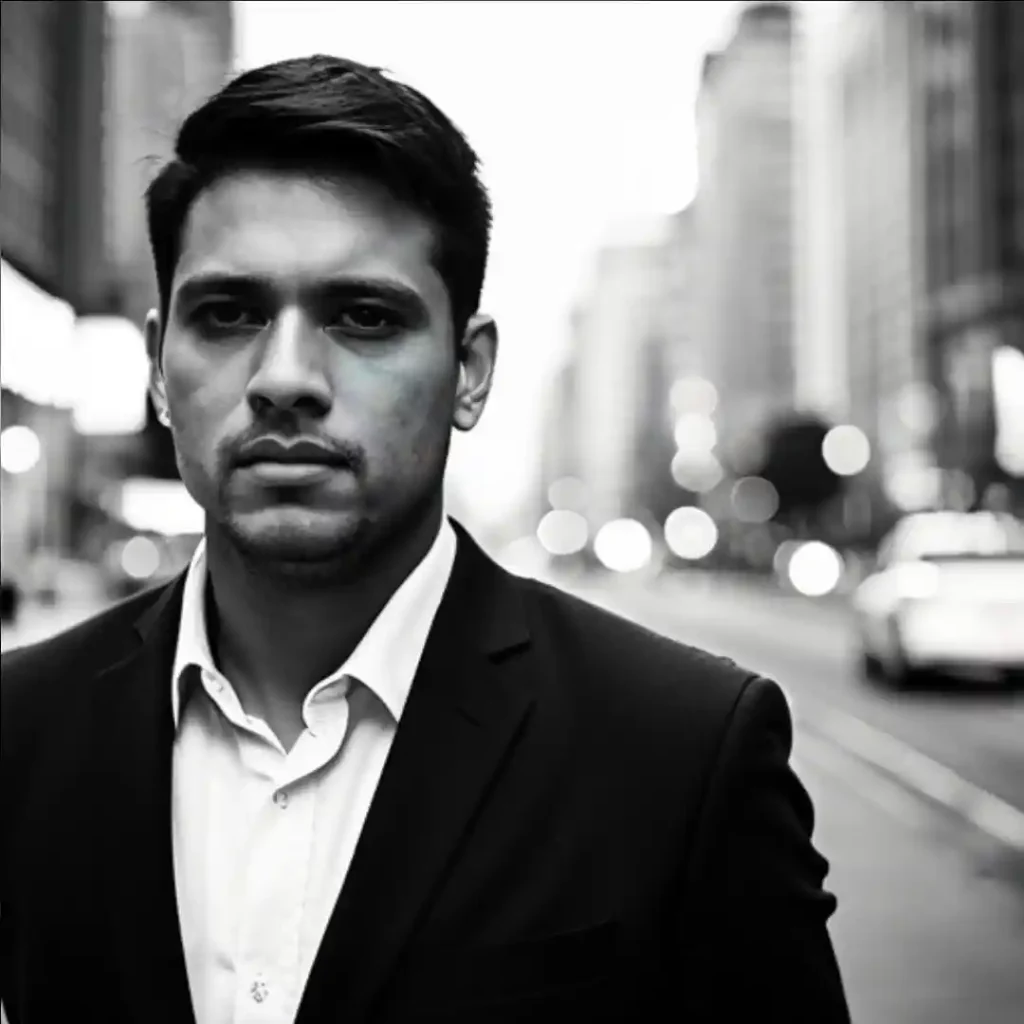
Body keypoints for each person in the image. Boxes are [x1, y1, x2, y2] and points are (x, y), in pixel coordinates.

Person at [0, 56, 850, 1024]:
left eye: (363, 317)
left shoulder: (683, 749)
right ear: (157, 364)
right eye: (228, 314)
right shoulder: (20, 732)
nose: (284, 377)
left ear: (470, 371)